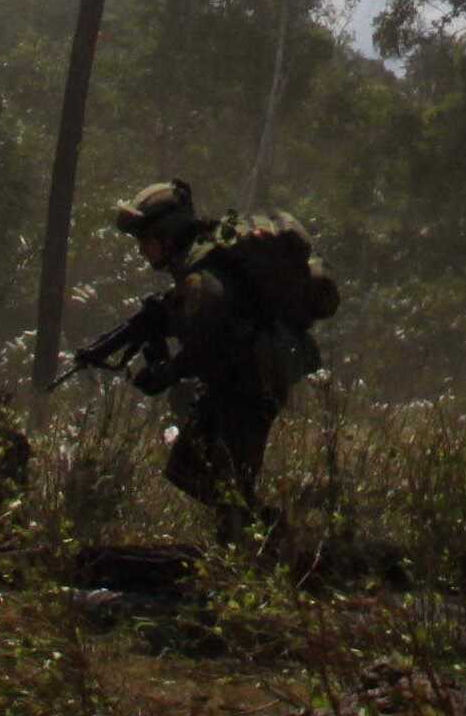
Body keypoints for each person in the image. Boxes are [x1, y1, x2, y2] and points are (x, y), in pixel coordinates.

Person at [79, 177, 340, 524]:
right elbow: (213, 319)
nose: (141, 250)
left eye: (144, 240)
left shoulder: (200, 272)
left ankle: (286, 541)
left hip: (249, 382)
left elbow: (214, 338)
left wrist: (167, 372)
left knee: (229, 488)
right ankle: (273, 537)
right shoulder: (204, 257)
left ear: (165, 235)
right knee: (195, 471)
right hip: (244, 378)